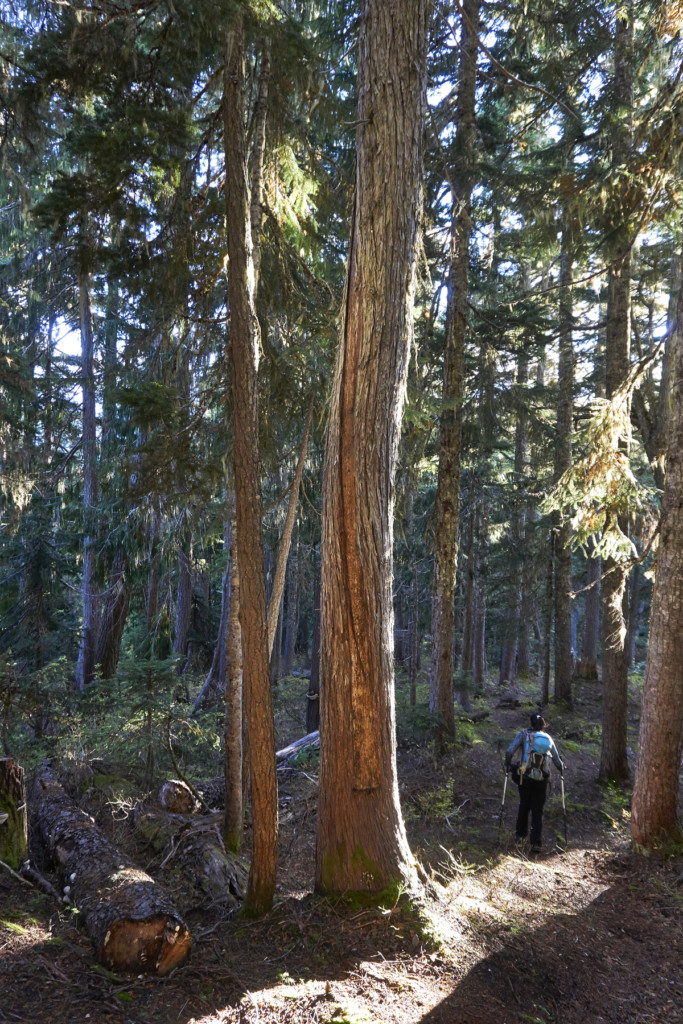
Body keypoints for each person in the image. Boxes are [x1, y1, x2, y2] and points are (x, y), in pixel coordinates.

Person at [505, 712, 564, 853]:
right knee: (537, 810)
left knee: (524, 805)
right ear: (543, 724)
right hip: (542, 779)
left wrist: (507, 764)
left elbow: (509, 751)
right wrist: (562, 768)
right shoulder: (548, 738)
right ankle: (536, 843)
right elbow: (557, 760)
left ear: (530, 723)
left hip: (525, 777)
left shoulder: (524, 735)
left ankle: (520, 837)